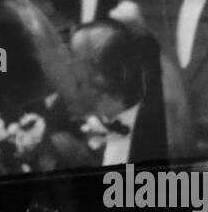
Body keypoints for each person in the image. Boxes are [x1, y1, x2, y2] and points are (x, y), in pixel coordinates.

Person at [69, 18, 168, 165]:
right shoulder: (85, 133)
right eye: (78, 62)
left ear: (127, 67)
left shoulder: (157, 130)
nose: (84, 75)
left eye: (101, 61)